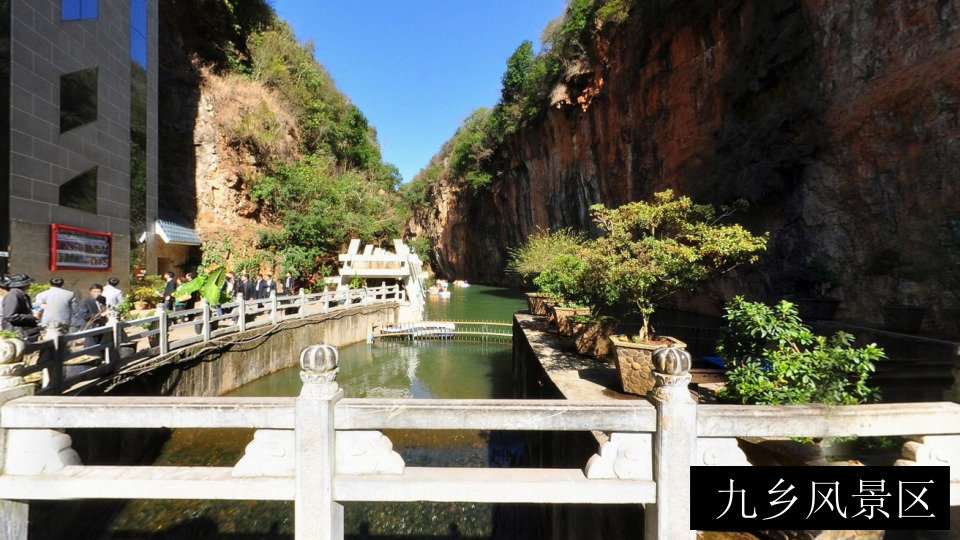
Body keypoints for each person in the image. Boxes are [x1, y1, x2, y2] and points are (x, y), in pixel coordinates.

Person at [1, 274, 39, 341]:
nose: (30, 284)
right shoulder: (13, 295)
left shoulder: (20, 294)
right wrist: (32, 316)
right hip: (18, 332)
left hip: (24, 330)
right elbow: (10, 316)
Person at [74, 283, 107, 348]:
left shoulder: (103, 299)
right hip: (90, 326)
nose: (97, 293)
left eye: (99, 292)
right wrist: (100, 315)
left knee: (101, 344)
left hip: (101, 325)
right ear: (90, 292)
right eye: (94, 292)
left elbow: (103, 308)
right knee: (91, 346)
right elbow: (83, 315)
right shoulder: (85, 301)